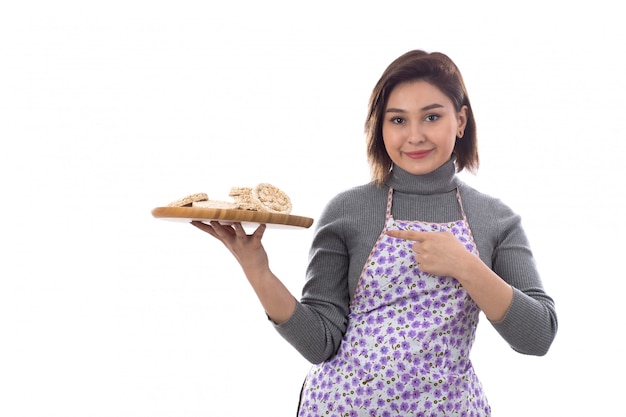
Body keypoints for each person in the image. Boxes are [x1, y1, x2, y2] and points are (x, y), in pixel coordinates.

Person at [191, 49, 558, 416]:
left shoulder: (496, 220)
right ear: (379, 127)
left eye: (431, 116)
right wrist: (257, 269)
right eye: (397, 120)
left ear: (460, 121)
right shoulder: (348, 211)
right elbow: (320, 343)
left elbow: (538, 336)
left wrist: (466, 266)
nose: (414, 136)